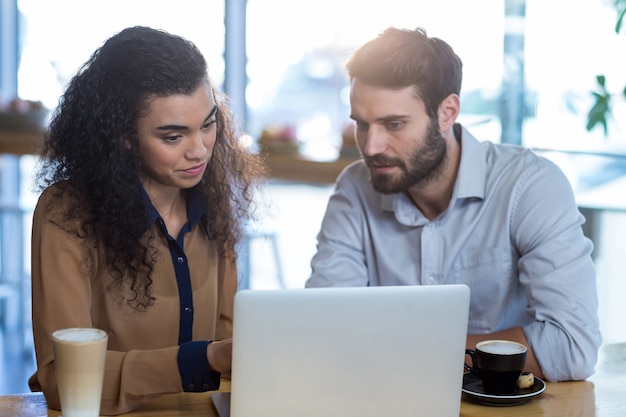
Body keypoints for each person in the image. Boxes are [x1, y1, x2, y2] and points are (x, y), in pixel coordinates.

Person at [306, 27, 602, 382]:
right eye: (362, 124)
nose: (371, 147)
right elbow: (324, 330)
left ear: (447, 112)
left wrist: (411, 354)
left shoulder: (531, 187)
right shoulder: (355, 190)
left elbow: (572, 347)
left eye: (394, 124)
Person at [29, 26, 265, 414]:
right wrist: (200, 361)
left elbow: (229, 352)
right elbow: (61, 379)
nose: (200, 151)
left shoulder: (214, 196)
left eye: (207, 124)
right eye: (173, 137)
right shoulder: (67, 213)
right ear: (123, 137)